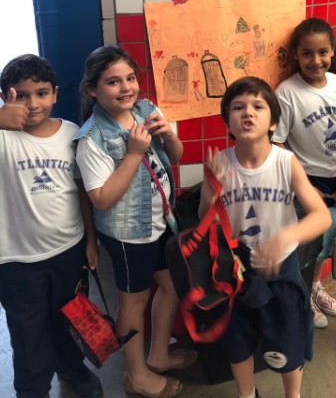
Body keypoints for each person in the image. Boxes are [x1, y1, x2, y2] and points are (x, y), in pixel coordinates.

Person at [74, 46, 196, 398]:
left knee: (170, 286)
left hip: (161, 220)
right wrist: (133, 154)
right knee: (133, 303)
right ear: (93, 89)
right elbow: (101, 198)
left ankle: (157, 355)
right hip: (127, 234)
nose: (126, 87)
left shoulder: (145, 109)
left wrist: (169, 134)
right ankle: (136, 376)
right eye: (113, 82)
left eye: (130, 78)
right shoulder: (91, 138)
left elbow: (176, 156)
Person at [200, 76, 331, 398]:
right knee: (237, 342)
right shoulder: (220, 164)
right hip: (236, 272)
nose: (248, 112)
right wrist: (211, 189)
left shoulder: (285, 162)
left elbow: (322, 216)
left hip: (281, 270)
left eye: (258, 106)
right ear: (228, 121)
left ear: (273, 123)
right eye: (238, 107)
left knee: (288, 343)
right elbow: (206, 222)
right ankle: (247, 394)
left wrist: (285, 237)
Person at [0, 54, 102, 398]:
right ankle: (33, 390)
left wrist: (90, 241)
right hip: (16, 262)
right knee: (28, 334)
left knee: (68, 319)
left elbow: (82, 193)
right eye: (21, 96)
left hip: (68, 251)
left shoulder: (71, 133)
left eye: (41, 93)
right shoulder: (3, 137)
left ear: (55, 94)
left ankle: (71, 368)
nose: (32, 104)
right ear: (4, 98)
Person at [272, 18, 336, 328]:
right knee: (307, 244)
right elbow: (278, 141)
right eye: (307, 53)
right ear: (295, 54)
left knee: (329, 237)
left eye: (322, 52)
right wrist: (301, 184)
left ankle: (315, 287)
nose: (316, 60)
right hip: (308, 181)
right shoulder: (287, 92)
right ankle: (303, 294)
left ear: (333, 51)